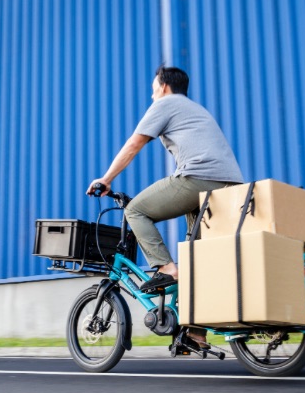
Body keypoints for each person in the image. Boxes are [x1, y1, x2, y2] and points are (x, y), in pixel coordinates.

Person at [86, 66, 244, 347]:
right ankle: (196, 334)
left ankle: (166, 268)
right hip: (229, 185)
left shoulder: (166, 104)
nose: (151, 93)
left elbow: (134, 144)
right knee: (196, 256)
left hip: (198, 178)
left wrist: (106, 179)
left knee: (135, 210)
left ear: (164, 87)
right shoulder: (195, 109)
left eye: (153, 87)